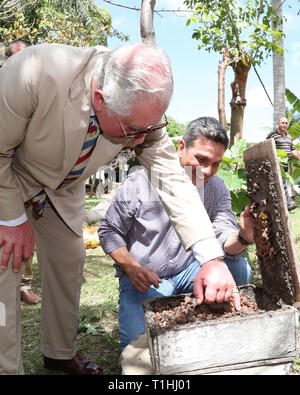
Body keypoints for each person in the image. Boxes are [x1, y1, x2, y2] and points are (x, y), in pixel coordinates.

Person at [0, 42, 237, 375]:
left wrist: (211, 259)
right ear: (100, 98)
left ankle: (58, 353)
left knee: (70, 259)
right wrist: (10, 218)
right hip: (7, 176)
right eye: (132, 130)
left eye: (148, 129)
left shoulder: (140, 117)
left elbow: (173, 180)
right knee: (5, 266)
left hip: (60, 189)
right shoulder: (34, 72)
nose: (139, 141)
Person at [98, 116, 254, 351]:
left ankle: (214, 320)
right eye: (201, 159)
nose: (208, 170)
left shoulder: (217, 188)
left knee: (239, 268)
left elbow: (223, 240)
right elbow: (109, 230)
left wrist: (243, 236)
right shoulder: (139, 182)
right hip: (145, 280)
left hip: (190, 273)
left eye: (216, 163)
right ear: (181, 148)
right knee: (137, 349)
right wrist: (132, 268)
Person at [5, 39, 41, 305]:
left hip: (26, 179)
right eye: (13, 58)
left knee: (24, 233)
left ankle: (24, 286)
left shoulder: (40, 92)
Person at [267, 117, 300, 211]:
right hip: (275, 164)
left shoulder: (289, 137)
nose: (284, 125)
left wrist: (299, 158)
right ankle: (287, 205)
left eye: (286, 123)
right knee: (280, 185)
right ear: (278, 123)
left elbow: (292, 150)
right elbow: (266, 146)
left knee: (282, 184)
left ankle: (285, 205)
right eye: (282, 123)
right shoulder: (272, 135)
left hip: (284, 166)